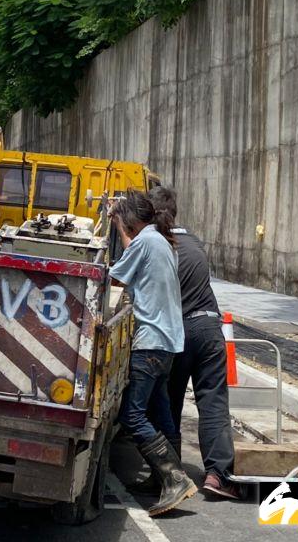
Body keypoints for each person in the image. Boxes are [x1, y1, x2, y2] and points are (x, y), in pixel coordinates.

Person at [109, 189, 197, 516]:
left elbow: (115, 277)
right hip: (168, 344)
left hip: (149, 343)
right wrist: (119, 223)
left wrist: (116, 225)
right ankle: (167, 479)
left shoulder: (146, 242)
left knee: (132, 415)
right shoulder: (161, 241)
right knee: (161, 415)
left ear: (132, 219)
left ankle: (173, 480)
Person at [149, 186, 238, 499]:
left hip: (177, 333)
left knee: (167, 402)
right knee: (213, 402)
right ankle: (218, 475)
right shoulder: (194, 243)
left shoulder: (156, 247)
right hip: (210, 329)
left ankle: (168, 475)